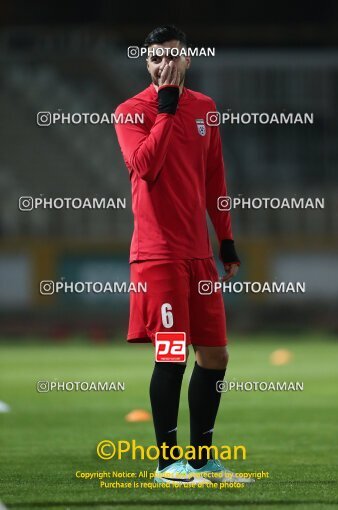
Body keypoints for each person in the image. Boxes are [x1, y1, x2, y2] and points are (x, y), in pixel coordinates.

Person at [115, 25, 253, 485]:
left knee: (215, 355)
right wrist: (167, 106)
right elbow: (146, 167)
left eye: (172, 57)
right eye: (156, 59)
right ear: (147, 63)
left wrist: (226, 240)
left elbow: (215, 178)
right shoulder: (131, 113)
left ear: (188, 59)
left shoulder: (206, 109)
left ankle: (201, 459)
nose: (164, 65)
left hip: (198, 254)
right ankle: (166, 462)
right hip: (157, 254)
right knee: (172, 353)